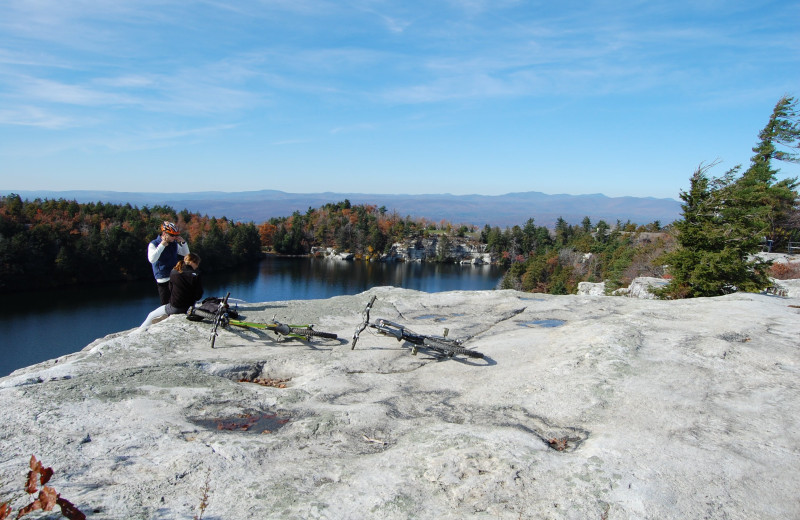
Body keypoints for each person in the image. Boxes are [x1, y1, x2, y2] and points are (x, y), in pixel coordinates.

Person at [139, 253, 203, 330]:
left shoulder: (174, 271)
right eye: (197, 264)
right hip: (189, 308)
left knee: (151, 315)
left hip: (175, 307)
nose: (197, 266)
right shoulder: (196, 275)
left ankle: (140, 330)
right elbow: (198, 295)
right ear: (192, 262)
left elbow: (170, 289)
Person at [148, 221, 190, 304]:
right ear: (164, 234)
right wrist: (162, 245)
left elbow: (186, 254)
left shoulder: (173, 244)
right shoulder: (154, 244)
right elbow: (152, 259)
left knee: (179, 302)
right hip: (163, 279)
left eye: (176, 235)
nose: (174, 237)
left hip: (175, 276)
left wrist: (183, 243)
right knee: (166, 305)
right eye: (172, 235)